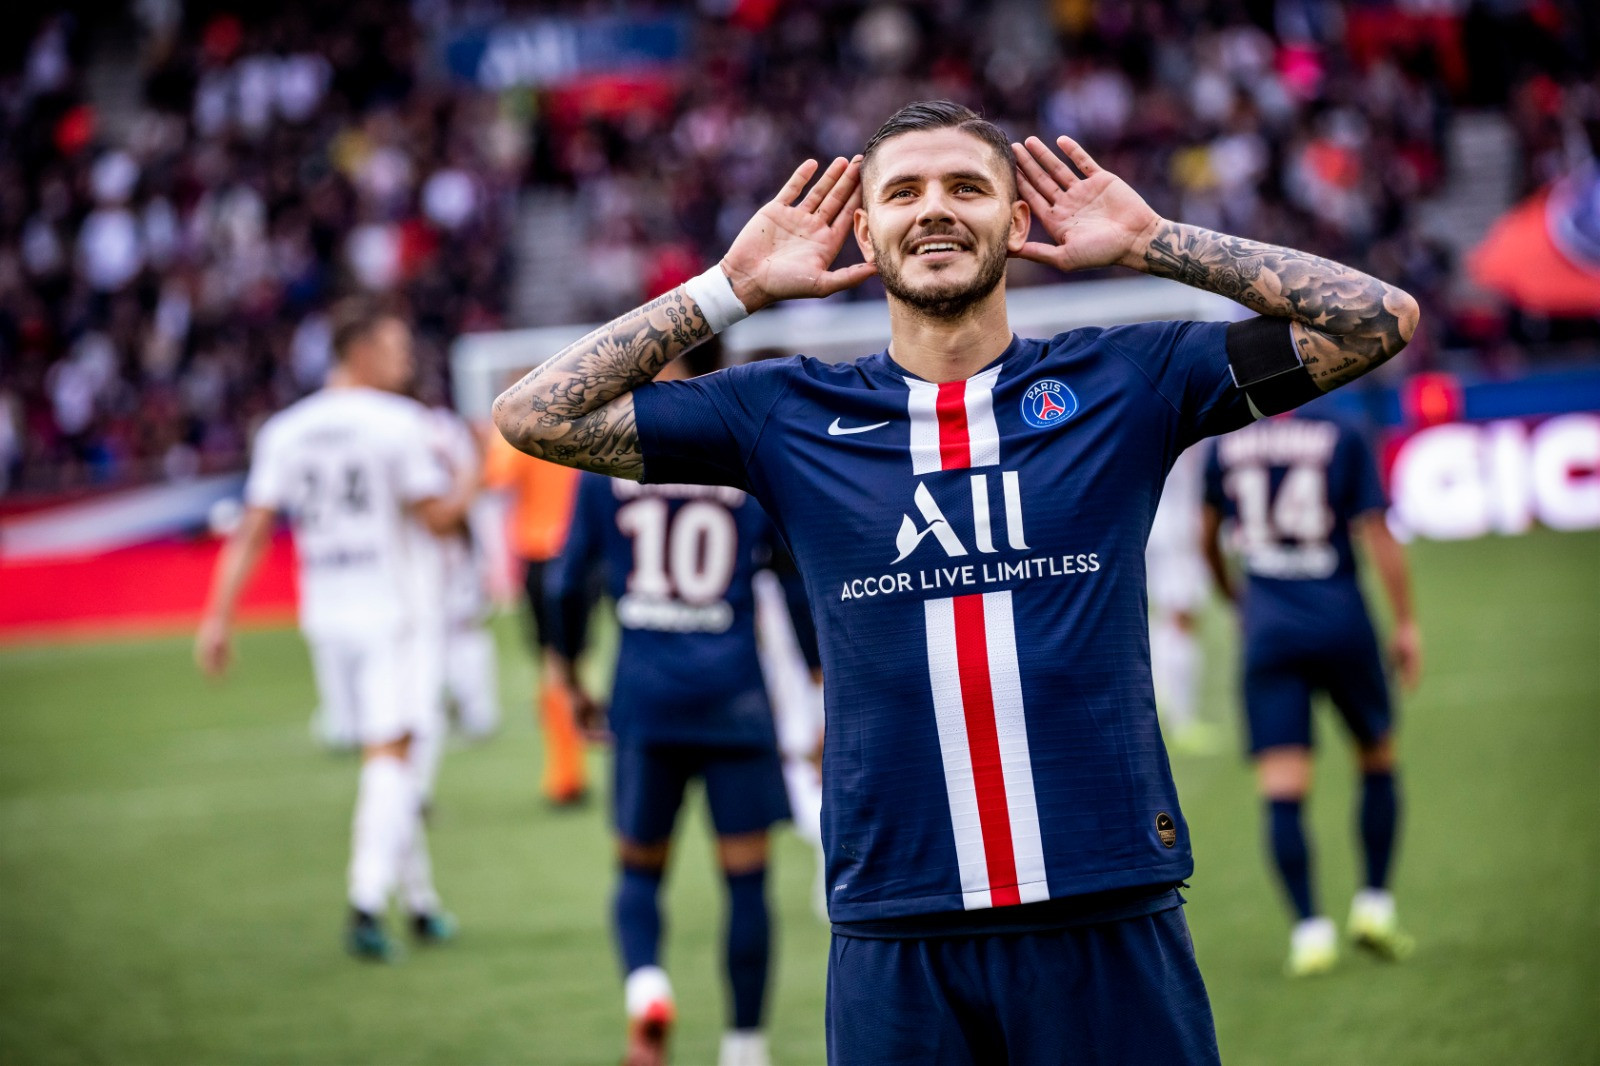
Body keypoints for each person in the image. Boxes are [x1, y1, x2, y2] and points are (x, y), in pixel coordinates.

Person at [493, 100, 1419, 1063]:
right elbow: (534, 416)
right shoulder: (785, 413)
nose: (935, 208)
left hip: (1106, 901)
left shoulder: (1126, 381)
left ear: (1017, 223)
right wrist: (731, 289)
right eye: (904, 192)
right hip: (897, 923)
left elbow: (1377, 321)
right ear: (865, 233)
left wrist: (1156, 244)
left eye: (966, 187)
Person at [196, 298, 476, 960]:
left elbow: (253, 530)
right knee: (394, 757)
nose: (406, 361)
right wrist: (476, 472)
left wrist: (218, 616)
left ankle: (420, 903)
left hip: (327, 614)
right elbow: (438, 521)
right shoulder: (400, 423)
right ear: (361, 352)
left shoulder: (286, 429)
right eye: (396, 348)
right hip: (396, 614)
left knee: (389, 759)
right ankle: (365, 903)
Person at [545, 341, 797, 1066]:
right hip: (735, 698)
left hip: (646, 696)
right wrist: (817, 681)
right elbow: (792, 576)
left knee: (637, 870)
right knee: (746, 879)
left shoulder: (607, 463)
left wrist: (568, 674)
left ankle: (647, 988)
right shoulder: (742, 459)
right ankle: (745, 1047)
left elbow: (566, 581)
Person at [1201, 403, 1420, 976]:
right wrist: (1405, 623)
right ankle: (1374, 904)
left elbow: (1207, 535)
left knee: (1282, 785)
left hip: (1269, 630)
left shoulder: (1225, 442)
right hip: (1341, 621)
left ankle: (1309, 932)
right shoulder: (1342, 431)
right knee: (1377, 755)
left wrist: (1236, 597)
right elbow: (1375, 530)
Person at [484, 419, 589, 805]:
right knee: (575, 658)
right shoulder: (584, 426)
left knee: (554, 661)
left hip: (543, 554)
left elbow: (496, 478)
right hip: (579, 552)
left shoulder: (523, 430)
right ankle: (571, 766)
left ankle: (565, 772)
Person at [1147, 444, 1220, 753]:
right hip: (1177, 533)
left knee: (1167, 617)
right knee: (1182, 619)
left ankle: (1162, 690)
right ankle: (1180, 716)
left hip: (1158, 527)